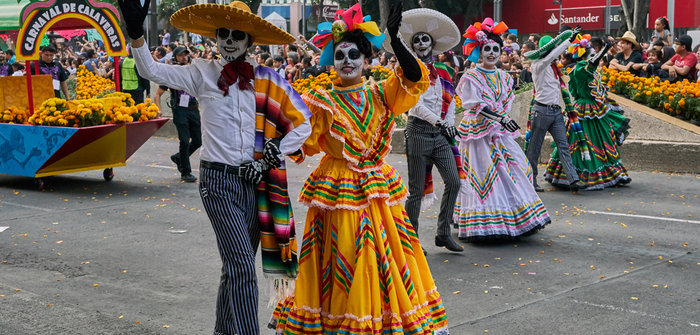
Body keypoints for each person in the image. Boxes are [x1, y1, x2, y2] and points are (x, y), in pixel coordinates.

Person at [118, 1, 312, 334]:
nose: (230, 41)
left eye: (238, 35)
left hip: (253, 182)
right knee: (241, 268)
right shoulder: (200, 72)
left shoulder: (267, 79)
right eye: (224, 34)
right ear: (216, 37)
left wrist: (270, 156)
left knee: (236, 268)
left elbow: (303, 123)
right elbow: (151, 71)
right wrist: (136, 34)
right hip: (217, 183)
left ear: (250, 42)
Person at [270, 3, 449, 334]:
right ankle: (339, 318)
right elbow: (294, 136)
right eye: (340, 55)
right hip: (336, 188)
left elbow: (413, 77)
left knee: (383, 254)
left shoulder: (381, 93)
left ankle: (378, 317)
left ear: (368, 60)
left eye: (355, 54)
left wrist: (395, 41)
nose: (347, 61)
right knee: (345, 252)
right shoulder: (320, 101)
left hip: (377, 187)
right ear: (332, 61)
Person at [456, 17, 550, 241]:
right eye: (486, 48)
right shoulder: (470, 76)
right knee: (483, 174)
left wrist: (501, 119)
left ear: (501, 52)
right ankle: (484, 222)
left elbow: (505, 104)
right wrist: (499, 117)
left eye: (495, 49)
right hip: (477, 134)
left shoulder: (504, 77)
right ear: (479, 50)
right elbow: (474, 104)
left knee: (514, 169)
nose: (490, 53)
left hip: (499, 132)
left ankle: (514, 217)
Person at [386, 7, 464, 253]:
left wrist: (448, 123)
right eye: (417, 40)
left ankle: (443, 233)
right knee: (416, 191)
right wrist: (438, 122)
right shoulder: (406, 71)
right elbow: (414, 105)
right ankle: (411, 239)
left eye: (425, 39)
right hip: (418, 131)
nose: (421, 43)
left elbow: (450, 100)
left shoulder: (444, 71)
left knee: (454, 181)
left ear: (433, 44)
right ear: (412, 46)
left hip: (440, 134)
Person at [545, 37, 631, 189]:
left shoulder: (583, 68)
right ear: (586, 55)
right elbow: (592, 64)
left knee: (602, 139)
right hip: (585, 108)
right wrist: (605, 49)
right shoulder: (580, 68)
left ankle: (613, 173)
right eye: (593, 52)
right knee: (582, 141)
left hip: (593, 108)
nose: (595, 54)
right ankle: (580, 175)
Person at [522, 27, 587, 193]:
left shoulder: (553, 68)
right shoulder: (538, 65)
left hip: (555, 112)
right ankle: (530, 181)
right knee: (534, 149)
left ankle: (573, 180)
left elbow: (552, 56)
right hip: (541, 111)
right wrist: (568, 40)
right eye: (552, 49)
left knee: (564, 146)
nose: (556, 53)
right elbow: (551, 55)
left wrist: (567, 41)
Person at [153, 47, 200, 182]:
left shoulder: (192, 71)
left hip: (193, 109)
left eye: (186, 55)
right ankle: (185, 171)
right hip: (180, 110)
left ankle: (179, 157)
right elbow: (157, 94)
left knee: (198, 141)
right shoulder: (171, 73)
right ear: (175, 57)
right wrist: (159, 109)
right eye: (181, 55)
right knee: (185, 141)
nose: (184, 57)